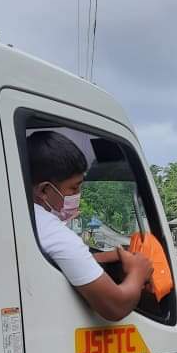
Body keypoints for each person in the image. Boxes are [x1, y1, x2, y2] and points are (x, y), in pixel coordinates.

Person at [28, 131, 153, 322]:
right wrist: (138, 271)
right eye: (74, 187)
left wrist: (100, 257)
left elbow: (61, 261)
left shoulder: (27, 220)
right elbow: (116, 305)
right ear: (44, 190)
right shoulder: (55, 233)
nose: (78, 195)